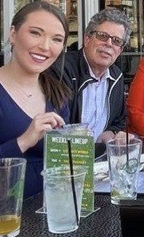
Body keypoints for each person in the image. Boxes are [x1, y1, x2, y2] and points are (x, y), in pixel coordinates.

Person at [0, 1, 70, 198]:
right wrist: (23, 141)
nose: (45, 46)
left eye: (56, 39)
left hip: (51, 212)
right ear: (13, 34)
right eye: (35, 33)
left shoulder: (58, 94)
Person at [55, 8, 130, 145]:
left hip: (102, 159)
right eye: (102, 36)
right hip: (69, 161)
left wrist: (111, 133)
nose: (109, 44)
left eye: (116, 41)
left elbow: (119, 121)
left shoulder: (116, 76)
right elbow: (56, 129)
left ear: (120, 50)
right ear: (87, 39)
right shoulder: (62, 70)